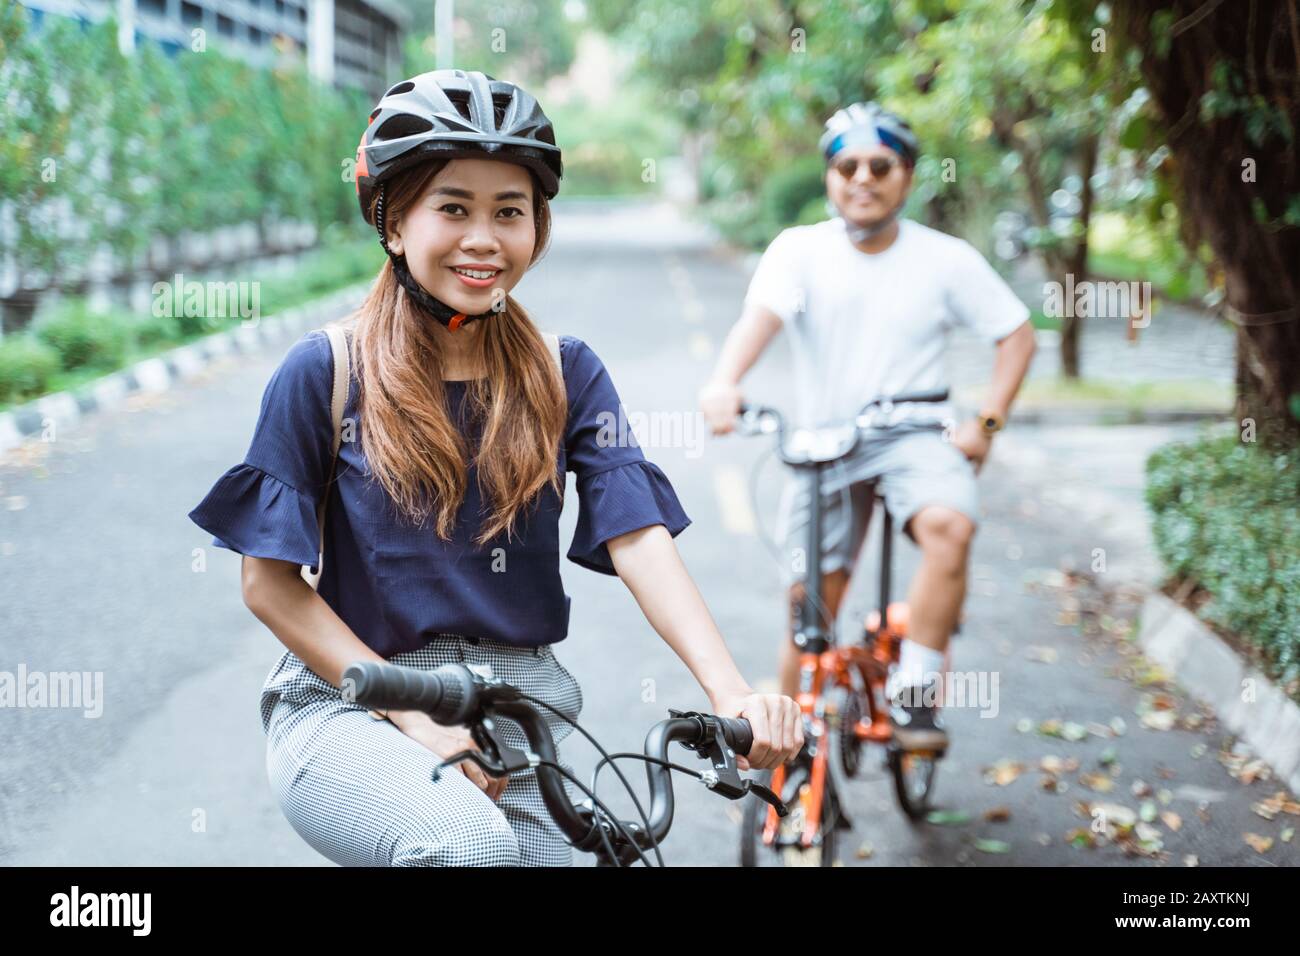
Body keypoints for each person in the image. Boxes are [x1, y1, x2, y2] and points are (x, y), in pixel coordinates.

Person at [188, 69, 802, 867]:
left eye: (509, 211)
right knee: (467, 847)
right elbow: (268, 584)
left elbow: (638, 535)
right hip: (353, 705)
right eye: (453, 207)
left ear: (536, 230)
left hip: (521, 718)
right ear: (394, 222)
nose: (484, 238)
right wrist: (412, 716)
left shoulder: (564, 371)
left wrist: (732, 692)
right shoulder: (326, 370)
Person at [699, 101, 1037, 753]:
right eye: (846, 165)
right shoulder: (798, 252)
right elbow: (759, 320)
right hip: (825, 440)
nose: (862, 178)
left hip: (917, 432)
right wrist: (724, 381)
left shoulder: (946, 258)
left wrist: (986, 424)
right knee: (808, 614)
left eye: (880, 165)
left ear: (907, 176)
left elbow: (1017, 336)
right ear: (829, 177)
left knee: (950, 525)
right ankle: (785, 748)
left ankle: (915, 691)